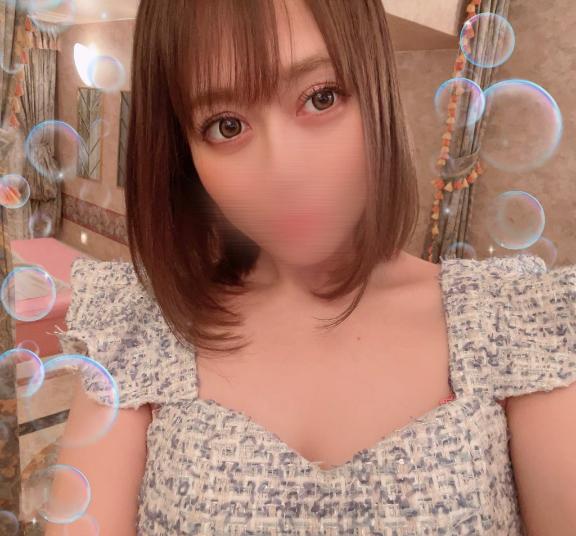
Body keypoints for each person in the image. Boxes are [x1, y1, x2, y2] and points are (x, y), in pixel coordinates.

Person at [46, 0, 576, 534]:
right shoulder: (139, 329)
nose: (285, 172)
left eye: (321, 97)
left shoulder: (514, 323)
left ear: (376, 90)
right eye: (227, 126)